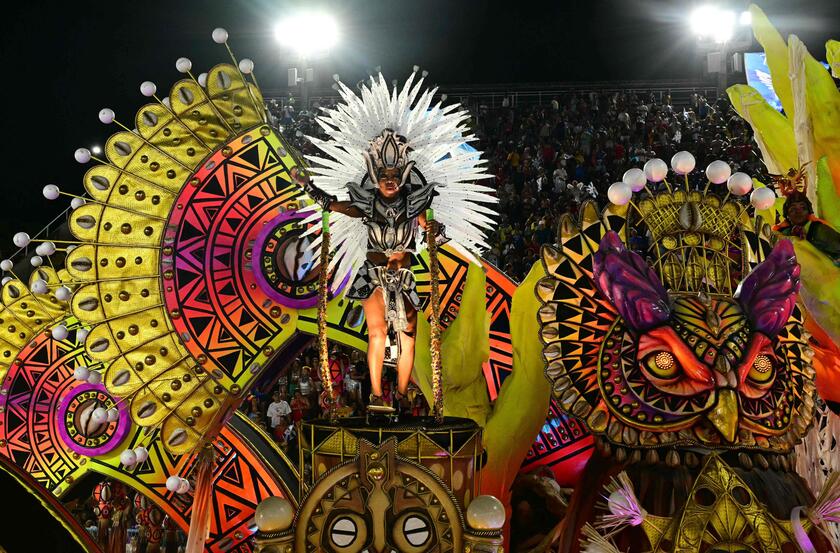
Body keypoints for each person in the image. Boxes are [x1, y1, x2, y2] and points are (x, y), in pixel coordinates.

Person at [774, 191, 840, 265]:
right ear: (787, 215)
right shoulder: (784, 234)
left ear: (809, 212)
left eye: (803, 208)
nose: (799, 211)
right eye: (793, 209)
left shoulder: (819, 229)